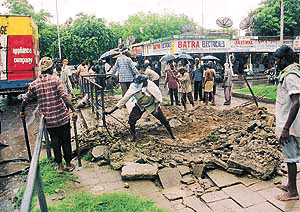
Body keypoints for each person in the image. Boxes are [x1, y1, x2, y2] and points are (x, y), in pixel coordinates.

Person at [20, 57, 78, 174]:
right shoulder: (56, 80)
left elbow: (25, 99)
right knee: (66, 140)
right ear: (51, 69)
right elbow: (64, 96)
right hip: (62, 117)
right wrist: (73, 109)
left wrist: (22, 111)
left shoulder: (34, 84)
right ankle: (68, 163)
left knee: (55, 142)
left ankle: (59, 166)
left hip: (50, 121)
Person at [103, 75, 175, 141]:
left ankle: (172, 135)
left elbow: (158, 96)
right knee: (131, 120)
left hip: (151, 105)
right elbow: (124, 99)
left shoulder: (150, 85)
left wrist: (156, 107)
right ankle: (134, 137)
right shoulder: (133, 87)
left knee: (163, 120)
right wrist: (111, 111)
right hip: (140, 105)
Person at [274, 45, 300, 201]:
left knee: (290, 158)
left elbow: (296, 102)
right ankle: (290, 184)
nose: (276, 63)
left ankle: (293, 192)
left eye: (278, 60)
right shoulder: (291, 72)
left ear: (285, 59)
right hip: (290, 123)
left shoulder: (290, 76)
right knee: (289, 156)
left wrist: (286, 128)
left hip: (291, 126)